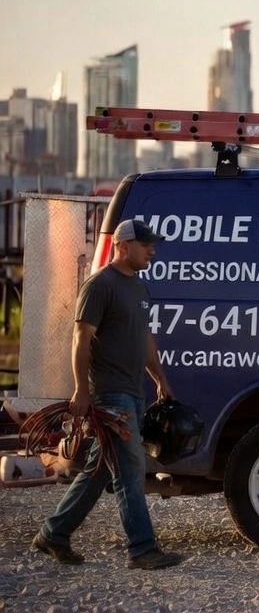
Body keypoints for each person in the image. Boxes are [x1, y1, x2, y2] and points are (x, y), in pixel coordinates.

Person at [30, 218, 184, 570]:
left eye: (152, 244)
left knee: (97, 471)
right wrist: (82, 390)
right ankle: (142, 549)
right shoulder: (100, 285)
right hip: (110, 396)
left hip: (134, 392)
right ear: (123, 246)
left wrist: (160, 378)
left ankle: (53, 534)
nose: (152, 249)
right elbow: (81, 339)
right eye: (146, 245)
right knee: (131, 468)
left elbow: (144, 339)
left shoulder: (139, 289)